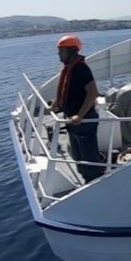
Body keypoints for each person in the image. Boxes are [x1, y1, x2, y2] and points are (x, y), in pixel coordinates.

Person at [50, 35, 104, 183]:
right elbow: (66, 91)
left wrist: (80, 116)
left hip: (83, 120)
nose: (59, 54)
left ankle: (95, 182)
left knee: (88, 157)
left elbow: (93, 92)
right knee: (79, 156)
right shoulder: (69, 69)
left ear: (72, 51)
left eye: (62, 51)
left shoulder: (81, 68)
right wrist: (54, 105)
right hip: (73, 121)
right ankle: (87, 180)